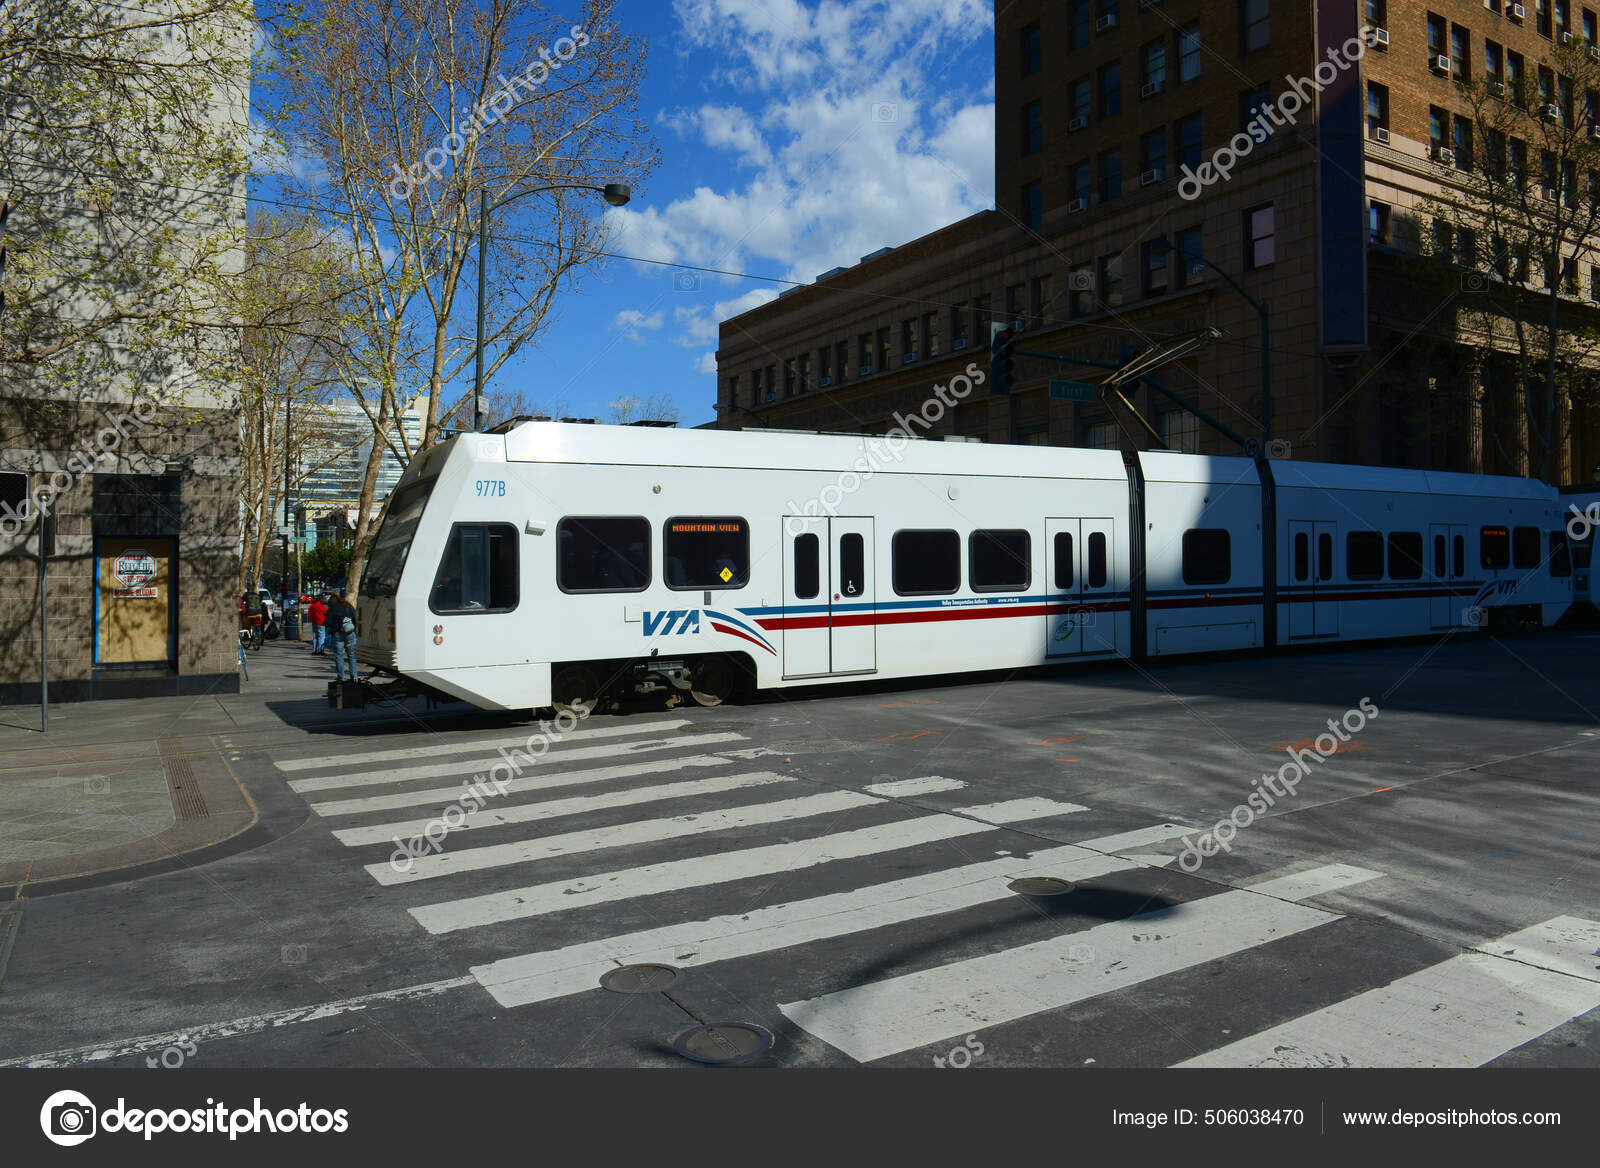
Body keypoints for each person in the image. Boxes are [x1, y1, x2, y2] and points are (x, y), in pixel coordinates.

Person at [325, 591, 359, 682]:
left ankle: (341, 676)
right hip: (350, 632)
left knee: (338, 655)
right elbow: (355, 619)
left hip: (338, 634)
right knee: (351, 655)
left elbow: (327, 623)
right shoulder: (348, 606)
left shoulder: (332, 609)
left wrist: (332, 631)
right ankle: (354, 675)